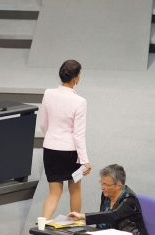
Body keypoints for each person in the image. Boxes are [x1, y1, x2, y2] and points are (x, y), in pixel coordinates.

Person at [41, 59, 91, 220]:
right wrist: (84, 160)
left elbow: (44, 124)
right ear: (76, 77)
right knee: (75, 190)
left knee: (54, 193)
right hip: (70, 153)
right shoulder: (80, 102)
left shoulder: (48, 93)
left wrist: (52, 138)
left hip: (50, 149)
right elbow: (79, 134)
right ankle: (75, 225)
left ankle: (41, 227)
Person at [68, 164, 148, 235]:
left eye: (105, 185)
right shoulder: (106, 195)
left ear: (118, 186)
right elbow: (102, 221)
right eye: (101, 183)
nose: (102, 187)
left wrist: (82, 216)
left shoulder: (129, 199)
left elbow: (114, 215)